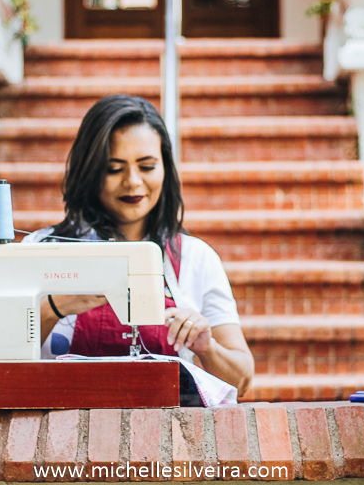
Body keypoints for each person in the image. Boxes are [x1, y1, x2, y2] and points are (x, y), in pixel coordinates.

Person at [23, 95, 254, 396]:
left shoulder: (196, 258)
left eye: (146, 166)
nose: (133, 182)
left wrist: (208, 348)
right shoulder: (40, 251)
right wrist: (53, 307)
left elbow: (243, 382)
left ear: (165, 169)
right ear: (90, 171)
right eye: (114, 169)